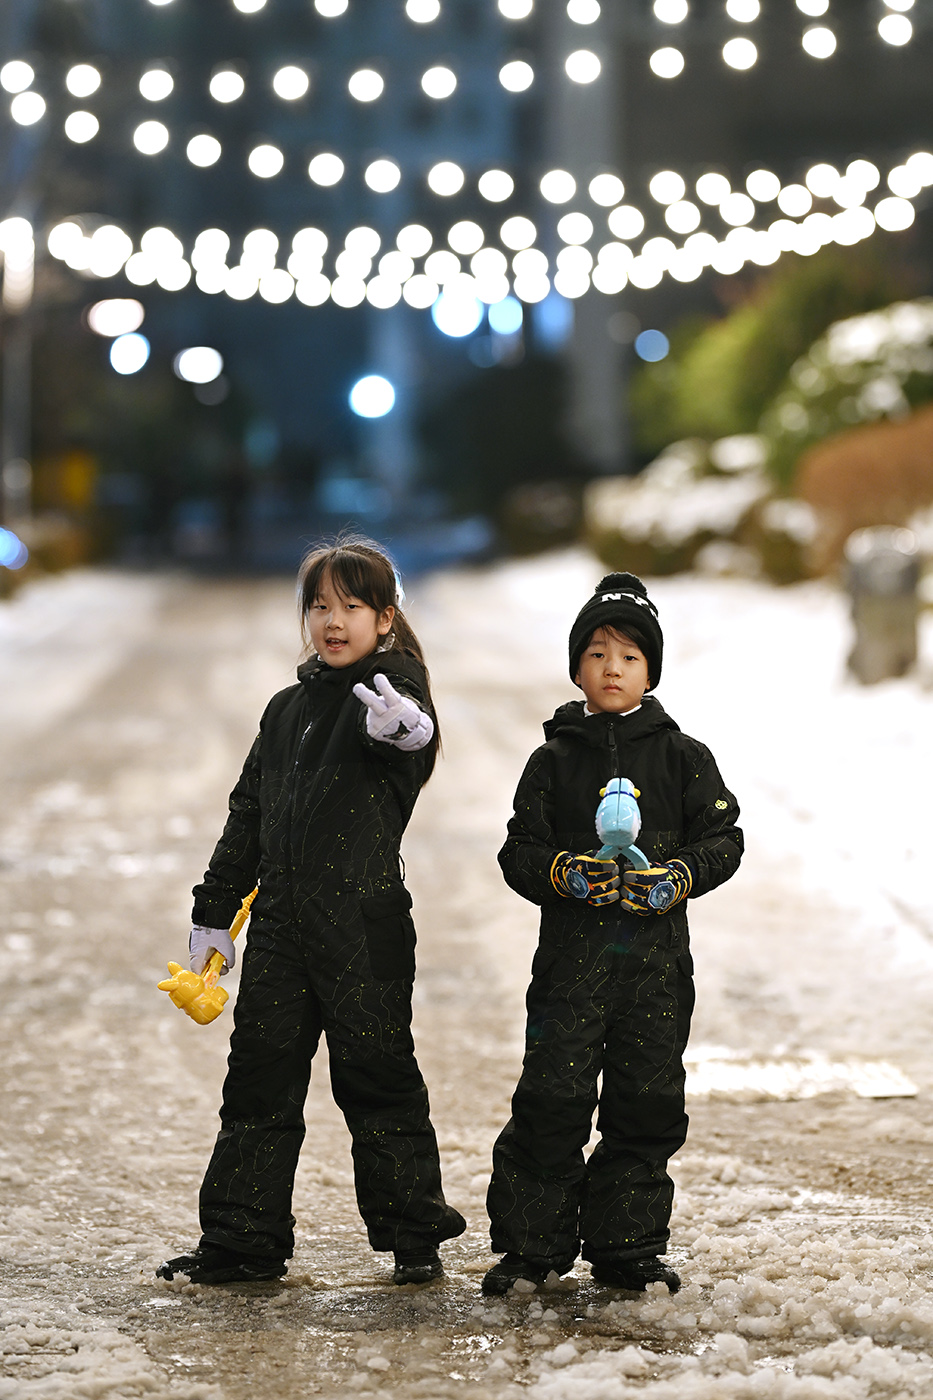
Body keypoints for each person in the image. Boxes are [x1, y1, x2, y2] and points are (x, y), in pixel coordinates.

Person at [157, 536, 465, 1287]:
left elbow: (409, 733)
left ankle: (413, 1235)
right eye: (320, 606)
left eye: (352, 606)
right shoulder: (286, 710)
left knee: (377, 1078)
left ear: (384, 618)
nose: (333, 621)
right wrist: (214, 912)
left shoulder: (386, 699)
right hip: (282, 930)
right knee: (257, 1082)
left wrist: (406, 727)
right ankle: (242, 1240)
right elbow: (248, 813)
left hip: (362, 926)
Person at [483, 571, 742, 1296]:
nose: (612, 669)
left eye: (629, 656)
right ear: (577, 669)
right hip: (569, 971)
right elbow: (518, 851)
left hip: (655, 974)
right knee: (551, 1100)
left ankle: (627, 1246)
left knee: (645, 1104)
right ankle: (530, 1248)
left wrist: (679, 876)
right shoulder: (552, 760)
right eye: (596, 654)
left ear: (650, 671)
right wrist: (563, 873)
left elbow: (725, 838)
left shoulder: (683, 757)